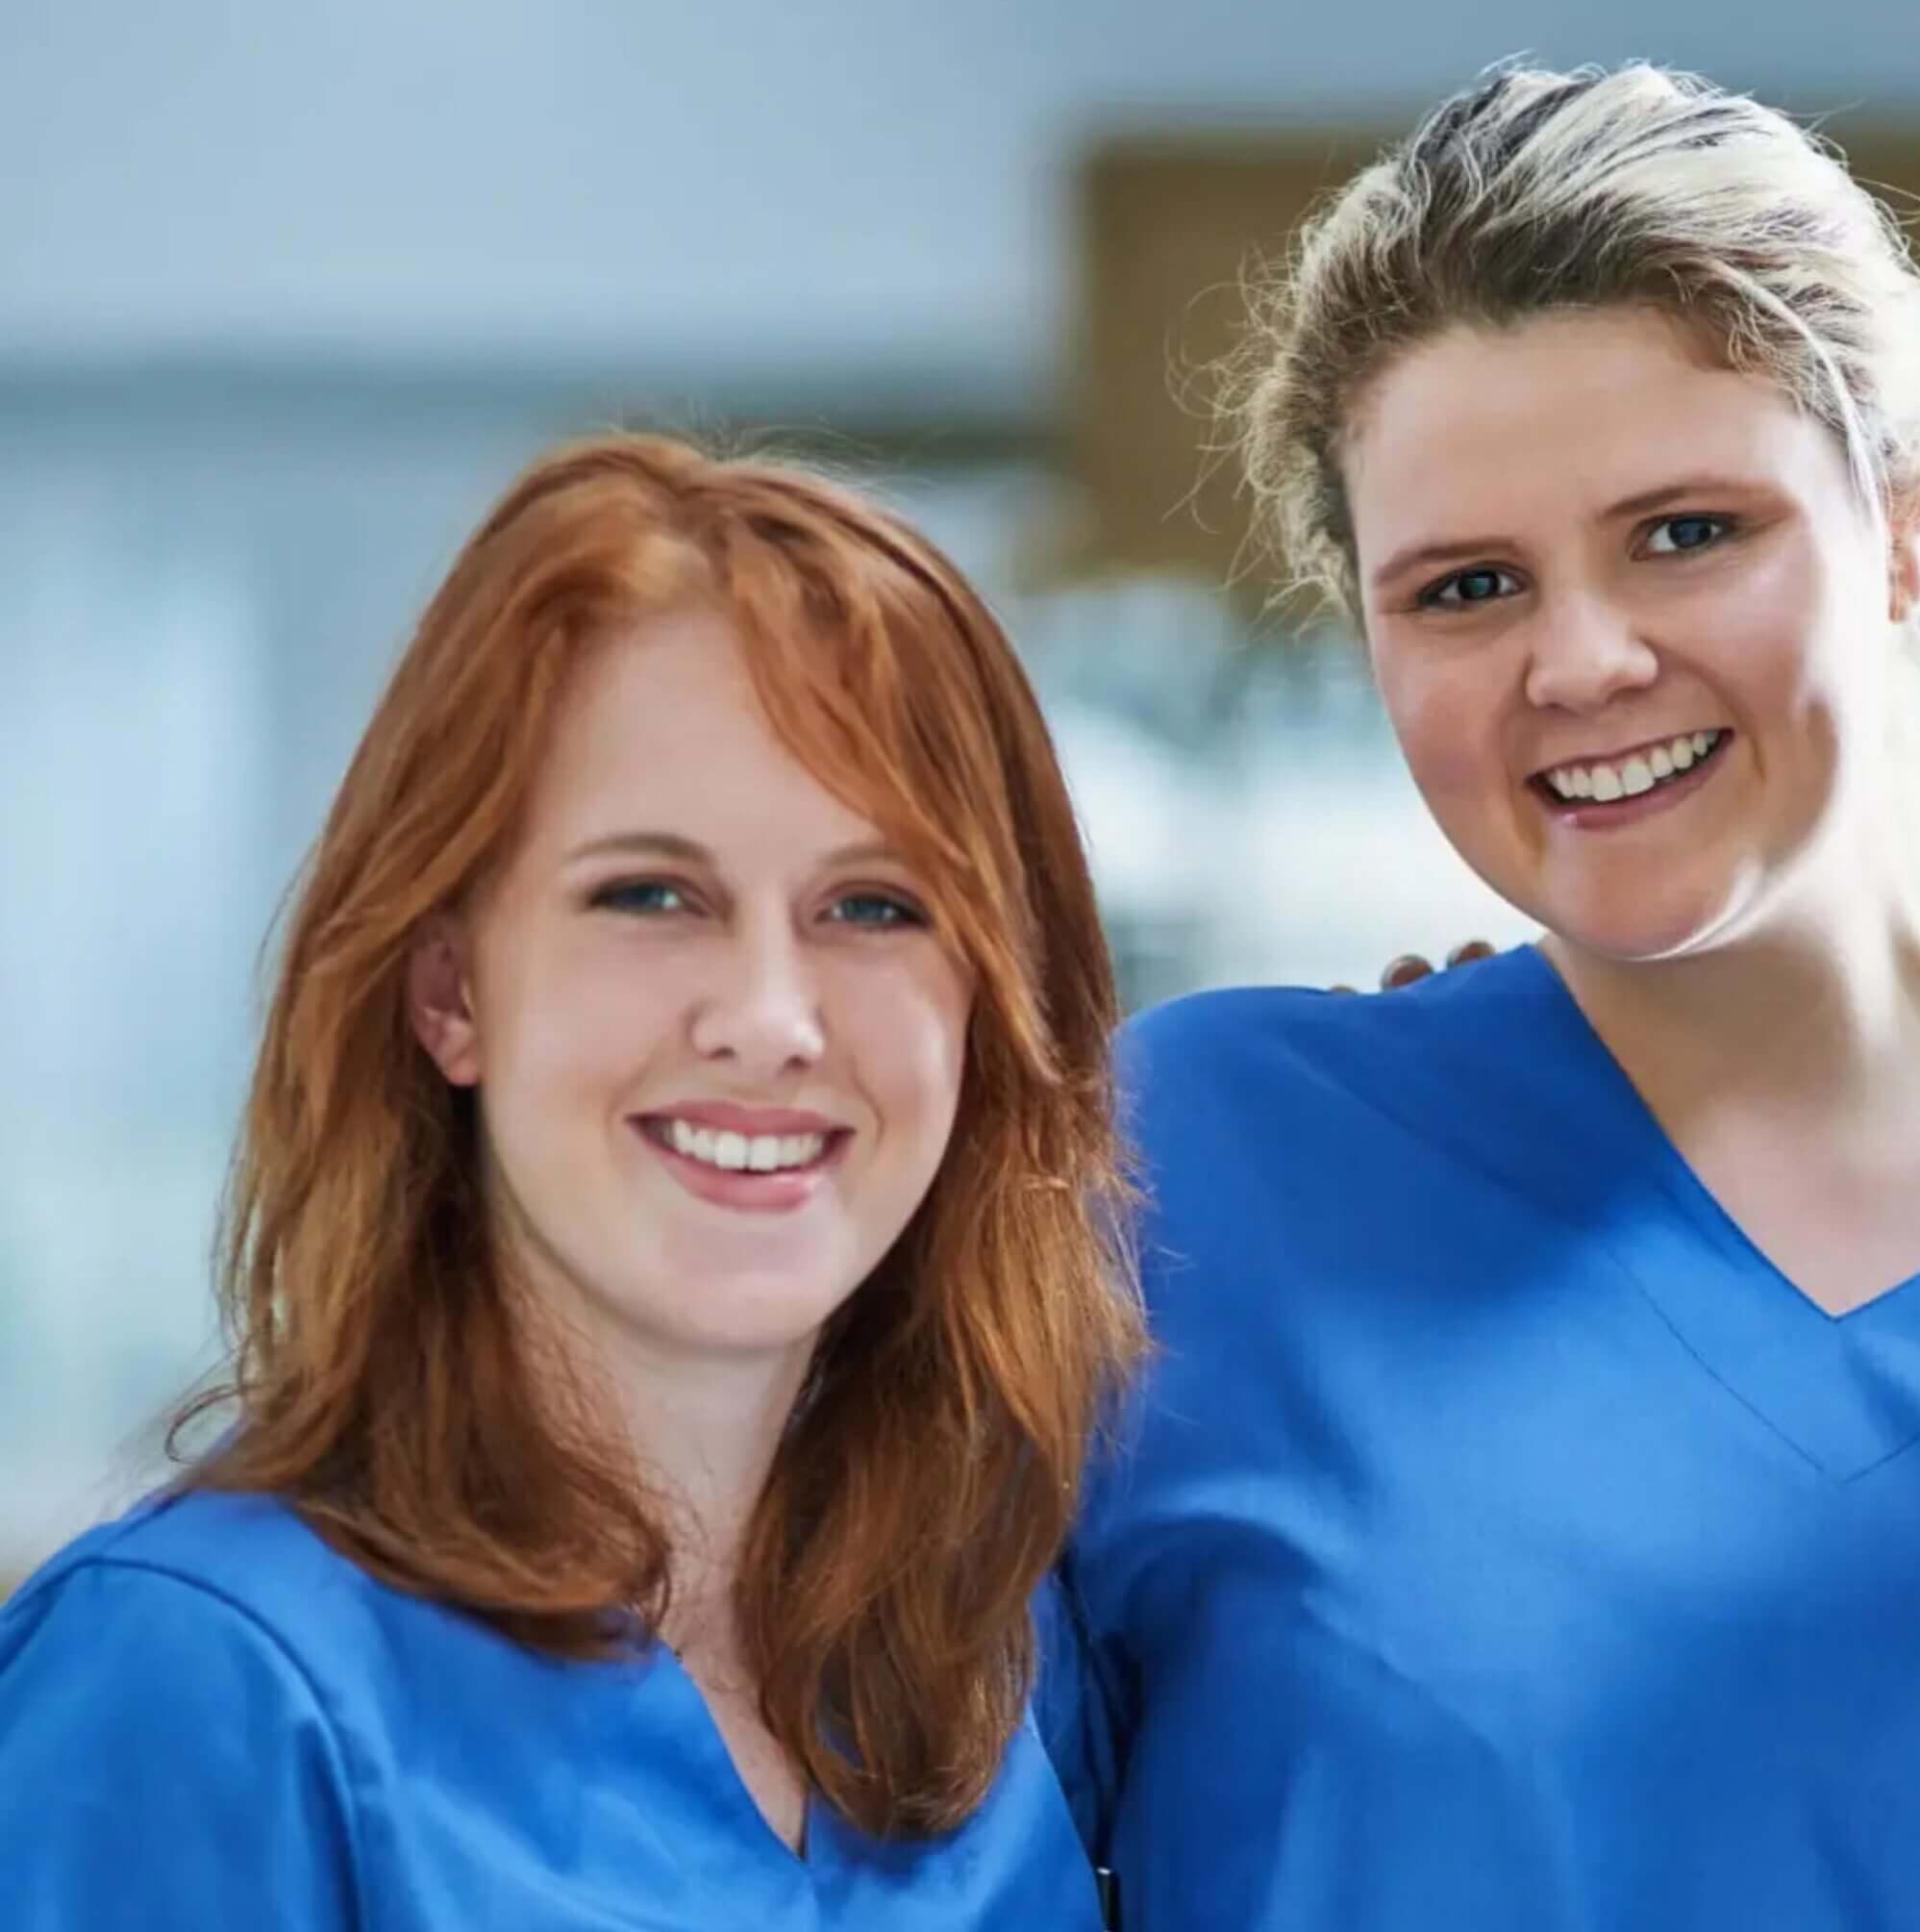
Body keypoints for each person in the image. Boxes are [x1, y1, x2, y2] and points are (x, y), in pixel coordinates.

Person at [1039, 61, 1920, 1931]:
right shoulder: (1195, 1175)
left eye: (1684, 533)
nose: (1579, 661)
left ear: (1896, 529)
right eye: (1464, 587)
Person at [0, 438, 1141, 1926]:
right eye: (650, 896)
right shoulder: (198, 1679)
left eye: (875, 905)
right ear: (448, 990)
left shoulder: (996, 1658)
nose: (770, 1020)